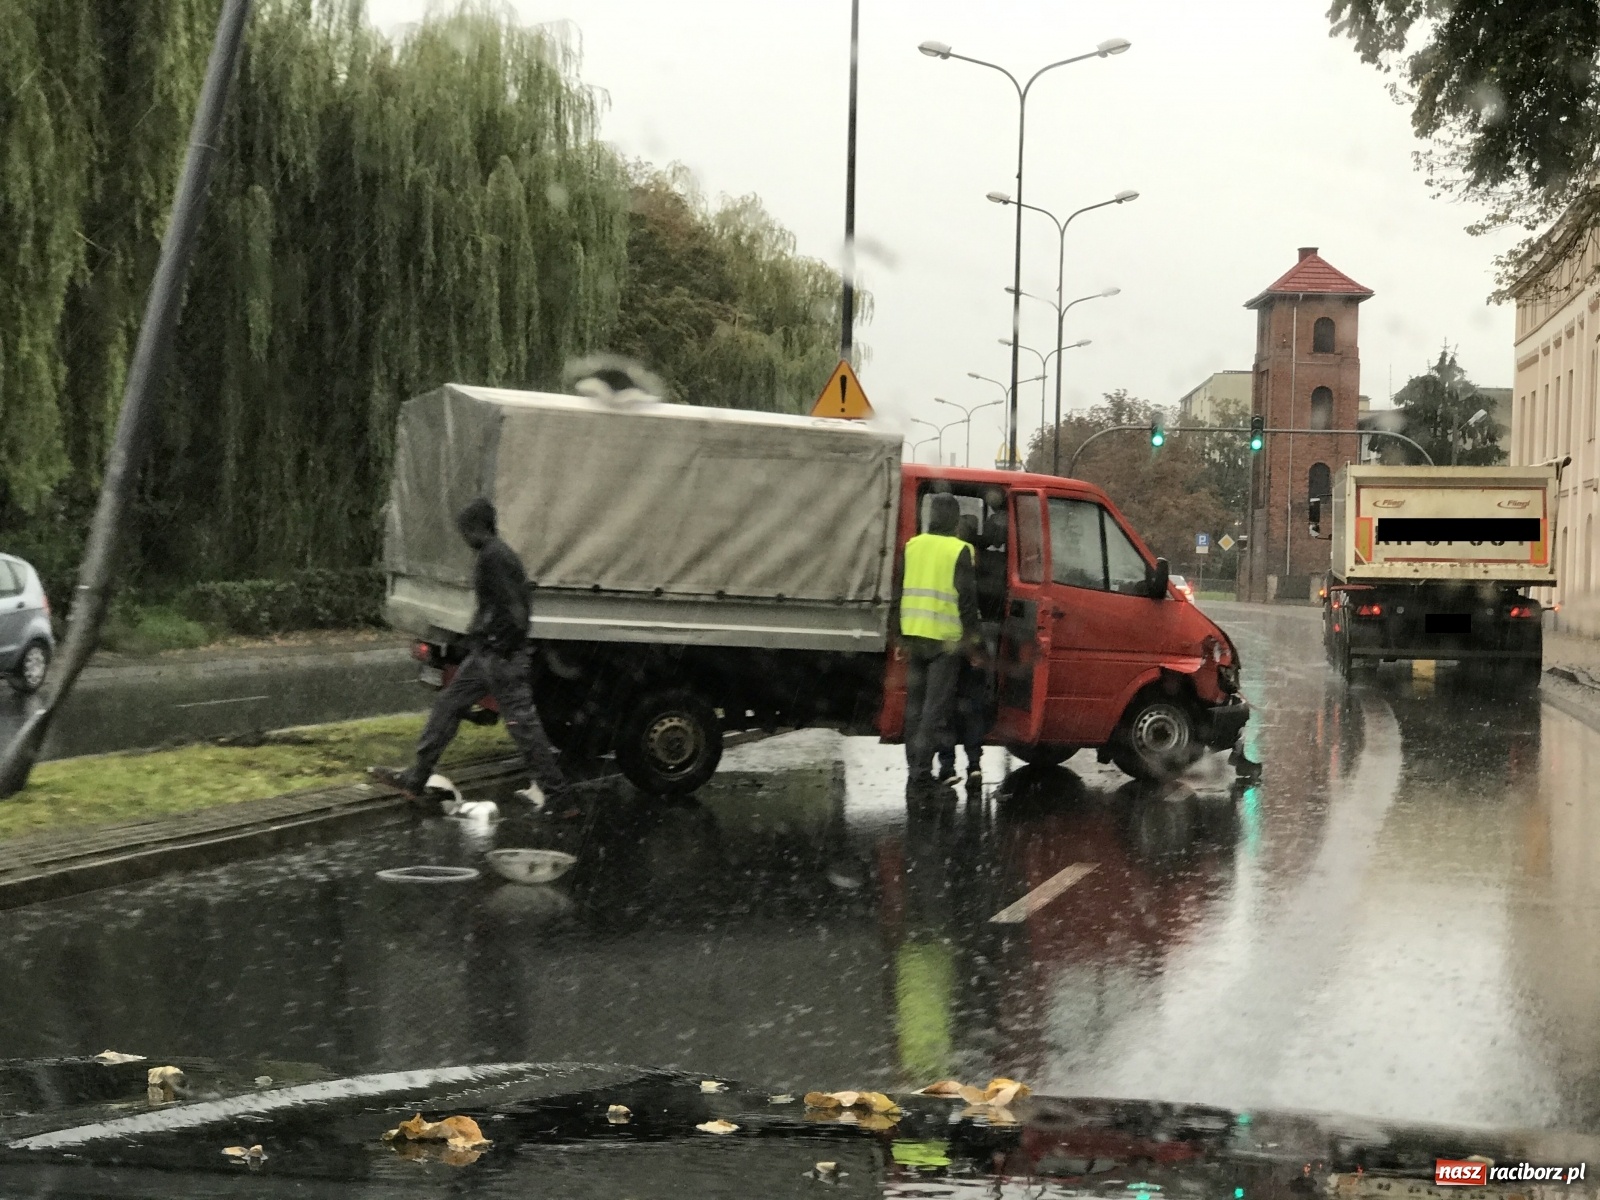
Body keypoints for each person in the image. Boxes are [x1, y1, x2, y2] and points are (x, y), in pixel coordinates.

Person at [372, 498, 571, 811]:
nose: (464, 537)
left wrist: (499, 644)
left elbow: (516, 610)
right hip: (488, 656)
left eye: (466, 530)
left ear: (478, 527)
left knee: (523, 728)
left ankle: (559, 798)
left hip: (500, 657)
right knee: (450, 706)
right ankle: (416, 778)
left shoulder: (494, 557)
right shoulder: (494, 555)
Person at [897, 493, 982, 794]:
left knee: (915, 709)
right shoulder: (959, 550)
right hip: (945, 642)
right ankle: (921, 776)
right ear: (955, 520)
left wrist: (899, 636)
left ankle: (915, 769)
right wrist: (973, 646)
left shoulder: (912, 546)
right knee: (934, 711)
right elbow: (967, 603)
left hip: (914, 635)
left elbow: (899, 591)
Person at [938, 515, 993, 789]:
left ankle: (947, 767)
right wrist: (977, 648)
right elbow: (973, 609)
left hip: (945, 640)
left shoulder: (944, 556)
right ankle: (974, 766)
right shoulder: (979, 561)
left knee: (946, 706)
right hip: (969, 640)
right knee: (973, 707)